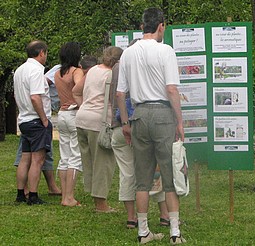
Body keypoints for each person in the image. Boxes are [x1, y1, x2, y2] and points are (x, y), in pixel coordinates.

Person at [117, 7, 185, 244]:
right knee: (170, 175)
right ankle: (174, 232)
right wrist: (179, 121)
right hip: (162, 114)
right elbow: (171, 89)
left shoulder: (128, 53)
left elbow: (119, 93)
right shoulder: (166, 50)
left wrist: (125, 122)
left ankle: (143, 230)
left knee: (142, 179)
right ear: (161, 26)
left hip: (139, 114)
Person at [110, 56, 170, 229]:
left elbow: (116, 96)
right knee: (155, 169)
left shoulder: (116, 68)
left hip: (118, 127)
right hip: (138, 123)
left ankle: (131, 218)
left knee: (127, 173)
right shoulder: (145, 69)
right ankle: (164, 214)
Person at [73, 46, 122, 212]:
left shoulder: (93, 70)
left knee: (89, 162)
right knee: (103, 163)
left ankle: (96, 198)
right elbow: (115, 99)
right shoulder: (112, 74)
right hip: (100, 123)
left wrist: (85, 107)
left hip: (82, 119)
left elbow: (76, 91)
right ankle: (101, 205)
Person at [14, 40, 52, 205]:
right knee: (38, 159)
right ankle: (34, 195)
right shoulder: (36, 71)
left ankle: (21, 193)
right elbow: (35, 97)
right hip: (36, 120)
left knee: (25, 158)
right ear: (41, 52)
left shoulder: (20, 70)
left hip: (24, 119)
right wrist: (44, 118)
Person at [54, 42, 85, 207]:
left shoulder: (58, 73)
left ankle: (64, 195)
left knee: (64, 156)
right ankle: (69, 197)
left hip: (62, 114)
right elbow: (79, 87)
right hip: (74, 113)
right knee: (75, 156)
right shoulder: (76, 71)